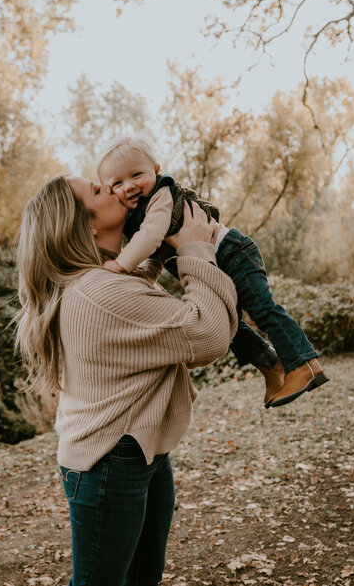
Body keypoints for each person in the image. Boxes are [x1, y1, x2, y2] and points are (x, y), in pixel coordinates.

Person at [14, 174, 238, 586]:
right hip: (109, 462)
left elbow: (137, 300)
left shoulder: (97, 282)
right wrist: (195, 250)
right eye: (99, 190)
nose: (115, 189)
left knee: (142, 576)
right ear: (85, 226)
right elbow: (208, 335)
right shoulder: (99, 292)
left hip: (137, 447)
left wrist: (158, 248)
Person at [96, 134, 329, 409]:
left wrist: (121, 264)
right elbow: (157, 255)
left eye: (137, 175)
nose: (130, 186)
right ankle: (271, 366)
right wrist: (144, 276)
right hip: (215, 266)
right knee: (228, 325)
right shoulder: (137, 219)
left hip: (232, 253)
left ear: (156, 170)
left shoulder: (160, 196)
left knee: (262, 308)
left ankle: (304, 364)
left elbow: (152, 236)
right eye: (118, 183)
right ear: (109, 189)